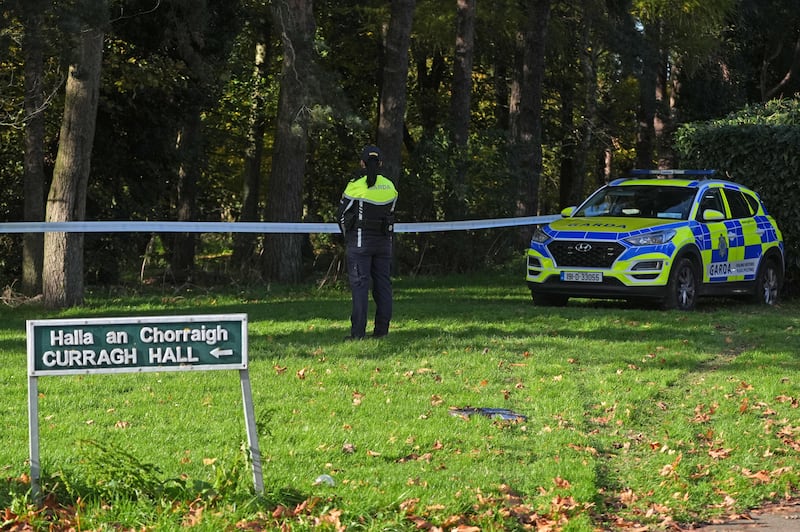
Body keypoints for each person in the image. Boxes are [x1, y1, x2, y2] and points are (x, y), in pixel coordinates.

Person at [336, 145, 398, 340]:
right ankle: (381, 331)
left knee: (360, 287)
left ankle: (358, 333)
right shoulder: (390, 186)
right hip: (383, 243)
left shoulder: (355, 186)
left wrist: (349, 237)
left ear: (362, 163)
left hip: (360, 242)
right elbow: (391, 213)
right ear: (380, 163)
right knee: (383, 286)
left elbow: (341, 216)